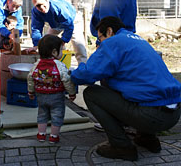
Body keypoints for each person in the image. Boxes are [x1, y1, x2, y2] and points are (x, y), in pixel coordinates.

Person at [71, 16, 181, 161]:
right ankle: (147, 138)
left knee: (91, 93)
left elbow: (86, 75)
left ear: (109, 31)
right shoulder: (137, 39)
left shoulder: (113, 42)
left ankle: (122, 146)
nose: (100, 42)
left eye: (100, 38)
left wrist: (71, 74)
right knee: (135, 87)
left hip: (151, 116)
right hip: (173, 114)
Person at [27, 34, 76, 143]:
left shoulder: (36, 64)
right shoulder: (60, 65)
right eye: (61, 50)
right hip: (56, 97)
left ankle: (41, 134)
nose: (62, 52)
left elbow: (30, 78)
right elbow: (66, 80)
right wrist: (72, 93)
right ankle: (53, 136)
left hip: (40, 96)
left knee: (42, 114)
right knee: (57, 115)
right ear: (54, 52)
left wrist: (31, 91)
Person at [27, 0, 87, 64]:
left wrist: (63, 41)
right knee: (46, 43)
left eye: (43, 5)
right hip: (55, 24)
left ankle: (83, 67)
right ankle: (51, 64)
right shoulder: (36, 12)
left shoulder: (59, 8)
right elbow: (36, 28)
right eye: (38, 6)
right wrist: (36, 44)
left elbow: (69, 26)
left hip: (72, 21)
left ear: (47, 0)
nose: (41, 8)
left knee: (78, 44)